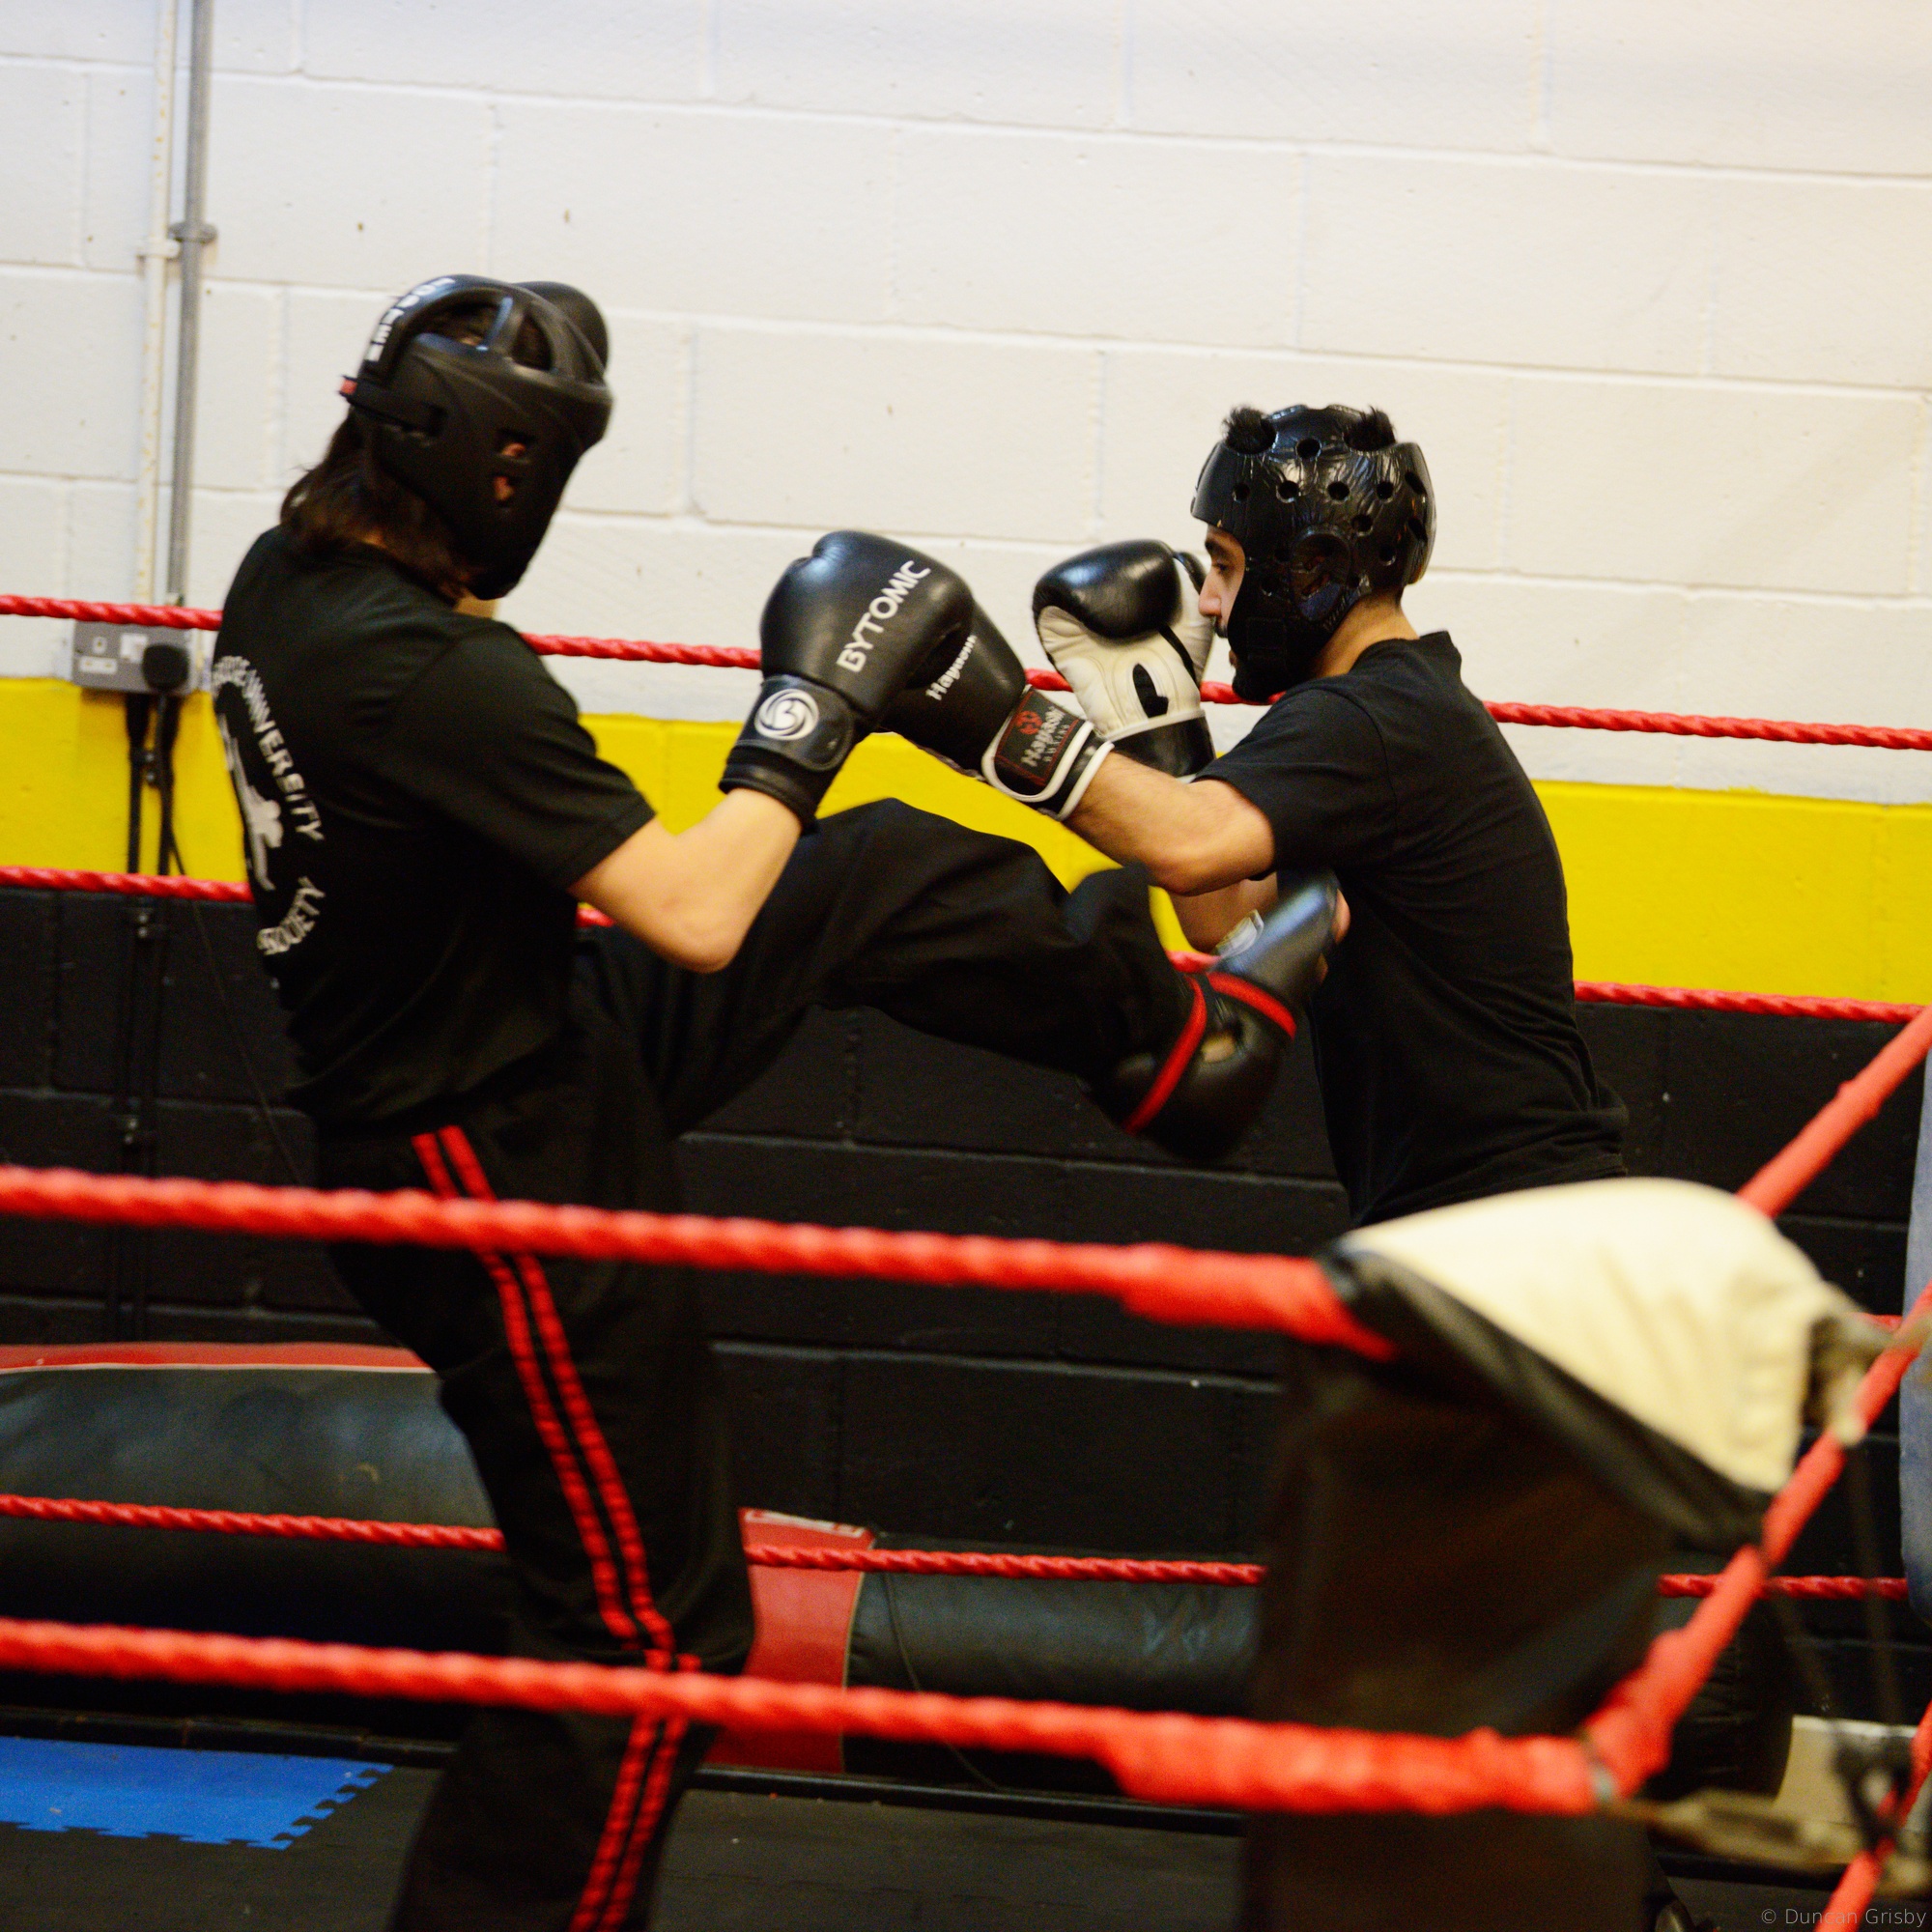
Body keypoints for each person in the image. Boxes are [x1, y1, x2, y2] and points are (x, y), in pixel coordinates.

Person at [211, 274, 1339, 1932]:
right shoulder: (427, 670)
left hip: (533, 1035)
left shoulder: (290, 579)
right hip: (493, 1165)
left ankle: (1184, 1053)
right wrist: (811, 712)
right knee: (649, 1635)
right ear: (503, 472)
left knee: (863, 874)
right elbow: (692, 912)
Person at [884, 401, 1625, 1229]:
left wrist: (991, 719)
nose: (1206, 602)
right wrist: (1158, 733)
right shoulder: (1392, 709)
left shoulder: (1372, 717)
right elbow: (1220, 916)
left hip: (1517, 1213)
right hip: (1487, 1205)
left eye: (1224, 565)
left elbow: (1189, 843)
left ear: (1310, 570)